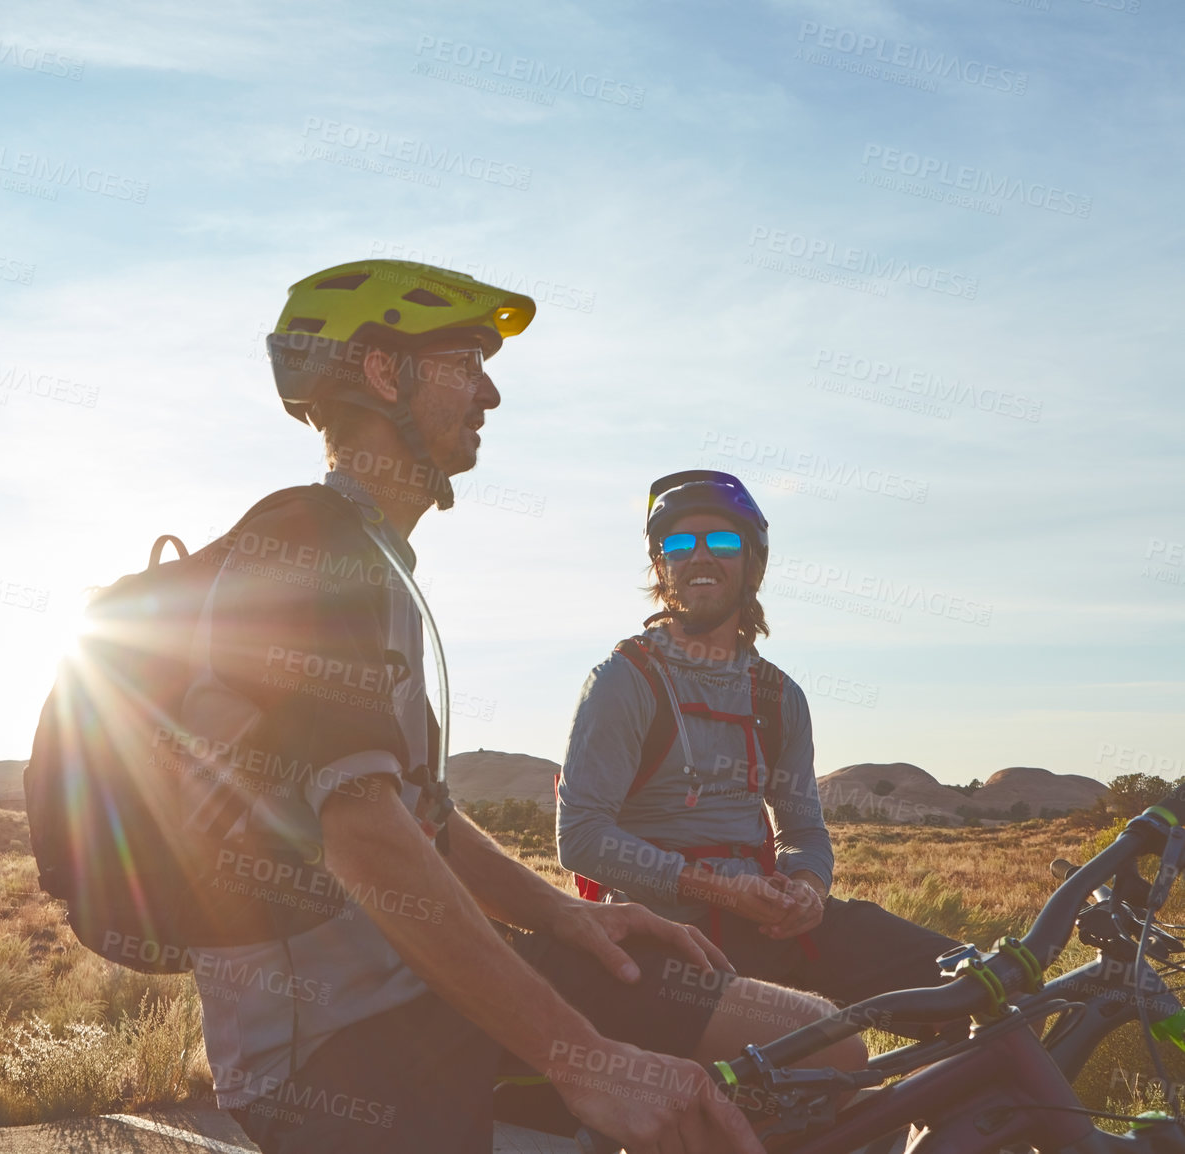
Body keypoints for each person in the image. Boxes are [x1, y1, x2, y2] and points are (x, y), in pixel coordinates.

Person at [181, 264, 864, 1154]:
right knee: (769, 1074)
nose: (491, 391)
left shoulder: (368, 560)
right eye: (468, 361)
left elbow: (420, 817)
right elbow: (366, 838)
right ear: (386, 374)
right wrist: (581, 1059)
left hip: (413, 989)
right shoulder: (312, 546)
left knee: (824, 1047)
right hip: (340, 1045)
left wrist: (564, 917)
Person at [557, 469, 958, 1010]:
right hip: (663, 937)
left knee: (976, 985)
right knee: (808, 1054)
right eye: (679, 544)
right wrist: (720, 889)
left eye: (721, 542)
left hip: (768, 924)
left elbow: (804, 831)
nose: (700, 556)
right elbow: (580, 838)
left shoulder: (778, 697)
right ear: (662, 566)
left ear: (753, 565)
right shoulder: (625, 680)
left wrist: (808, 893)